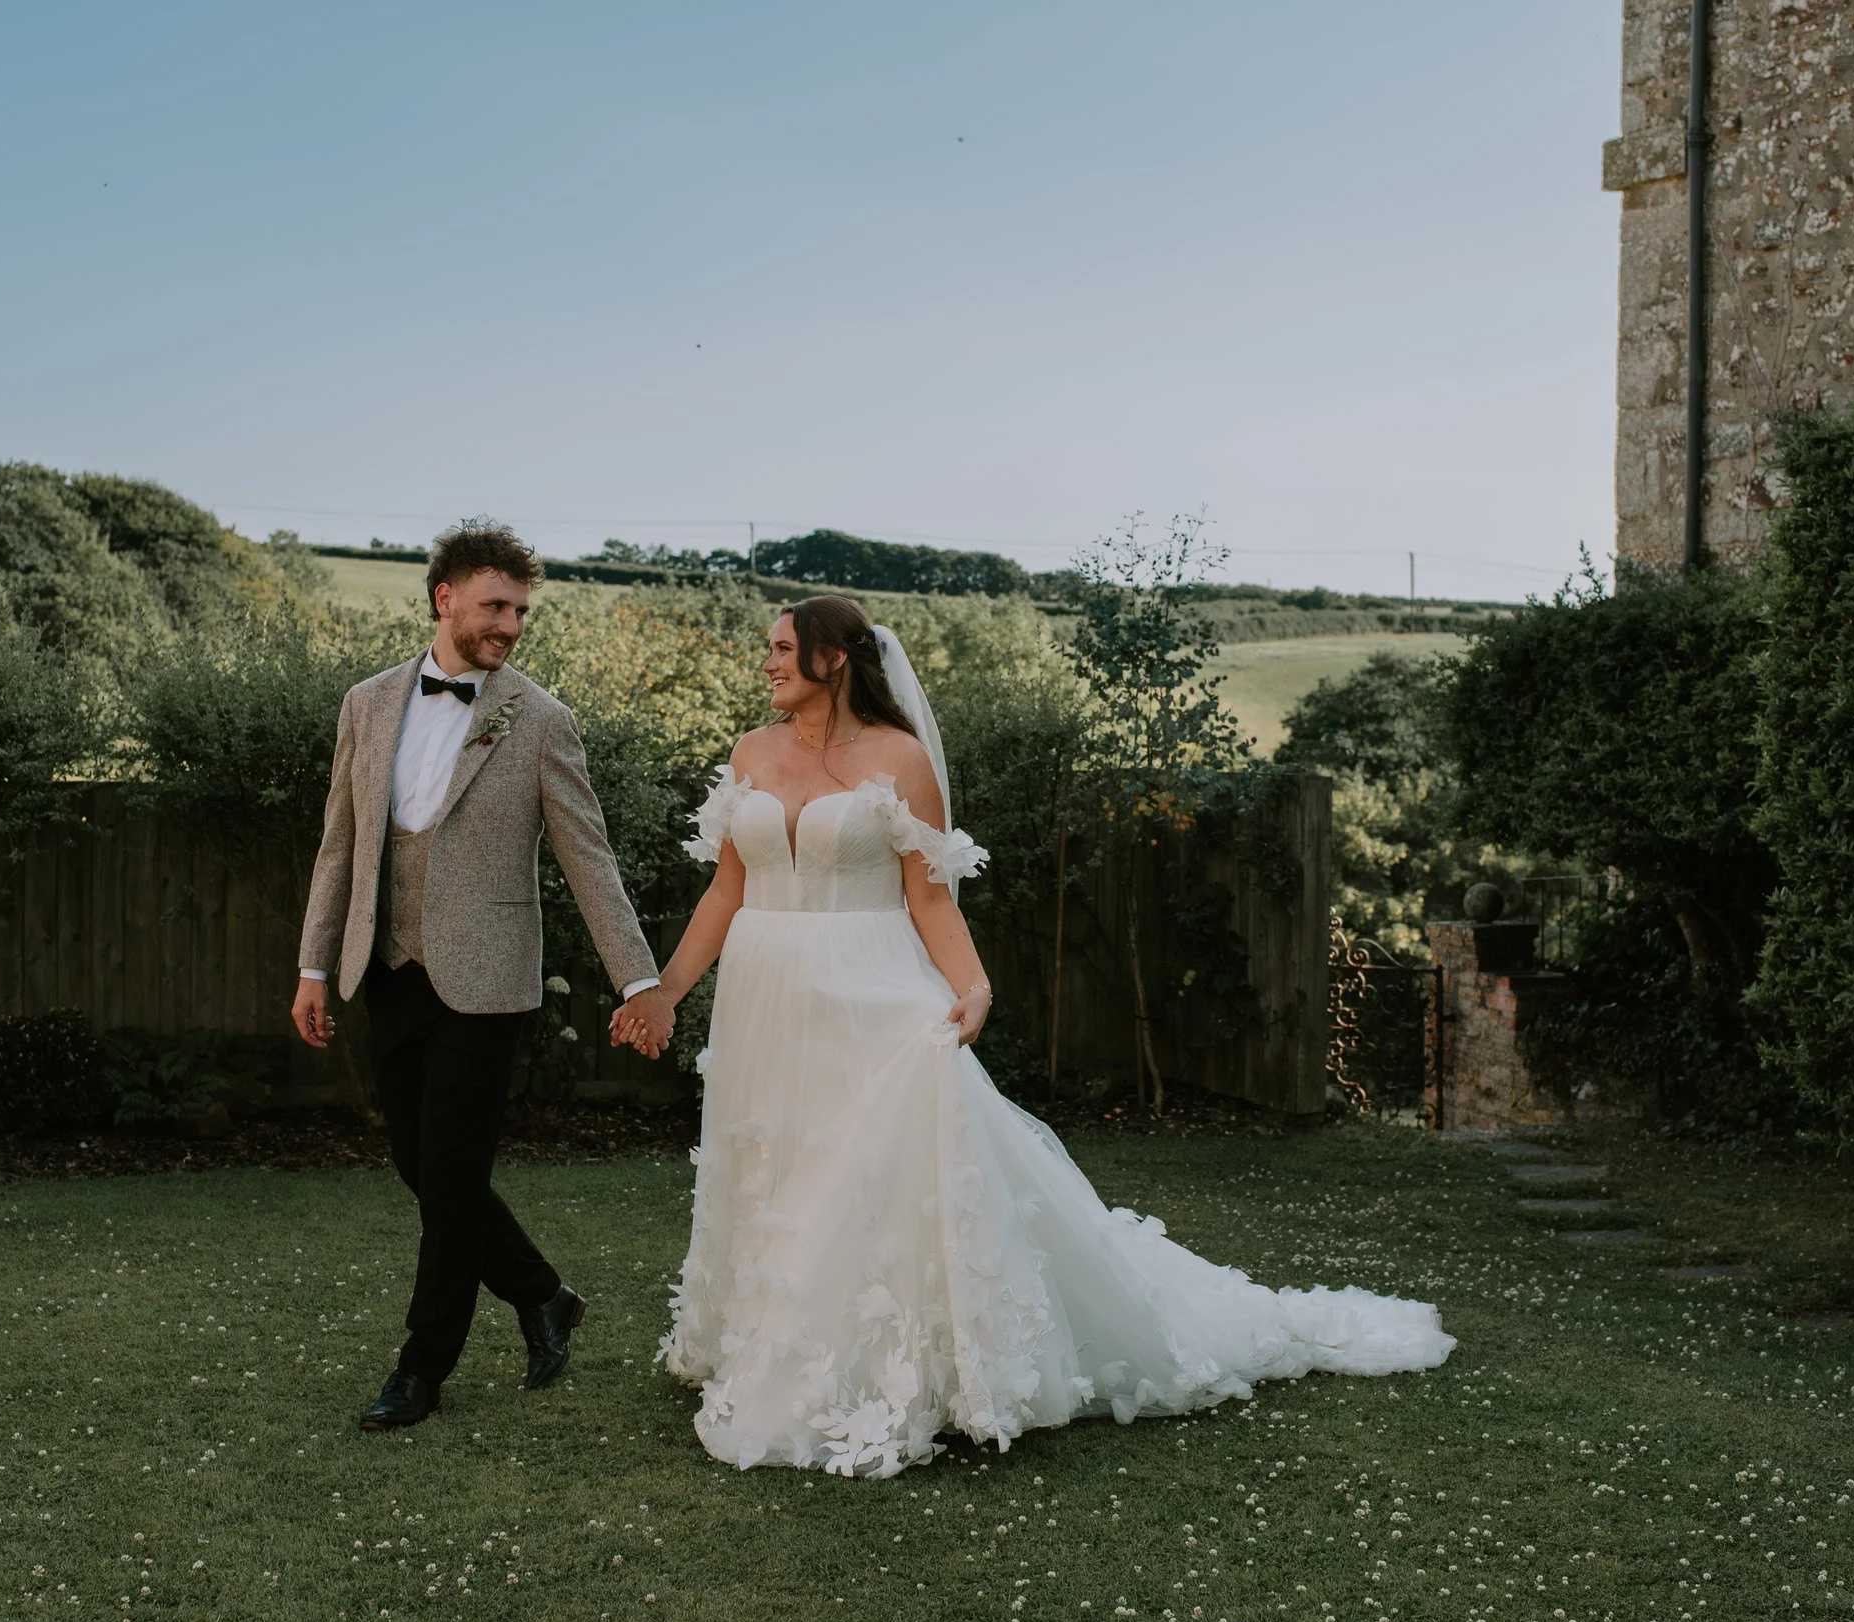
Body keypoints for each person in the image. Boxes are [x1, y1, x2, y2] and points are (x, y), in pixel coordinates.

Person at [621, 596, 1455, 1477]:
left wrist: (974, 986)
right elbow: (724, 889)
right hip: (763, 996)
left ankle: (871, 1364)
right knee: (772, 1156)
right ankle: (755, 1334)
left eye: (785, 649)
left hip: (870, 989)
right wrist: (667, 989)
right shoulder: (751, 754)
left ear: (835, 659)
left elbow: (929, 895)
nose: (769, 663)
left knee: (856, 1170)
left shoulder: (900, 759)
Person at [294, 520, 675, 1431]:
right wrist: (314, 964)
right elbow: (339, 846)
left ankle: (421, 1370)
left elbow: (590, 859)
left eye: (521, 609)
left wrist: (639, 981)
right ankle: (543, 1293)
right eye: (496, 605)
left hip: (489, 979)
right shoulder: (367, 703)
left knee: (453, 1174)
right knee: (418, 1164)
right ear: (446, 599)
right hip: (388, 969)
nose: (510, 622)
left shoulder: (540, 719)